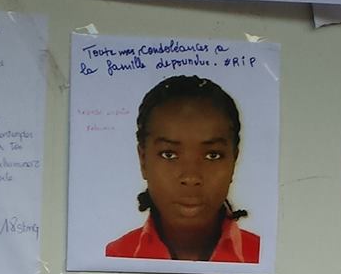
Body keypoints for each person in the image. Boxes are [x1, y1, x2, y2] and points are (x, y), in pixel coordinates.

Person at [105, 75, 262, 263]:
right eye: (169, 155)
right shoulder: (114, 257)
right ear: (143, 160)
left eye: (212, 155)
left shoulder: (263, 256)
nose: (190, 177)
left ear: (233, 160)